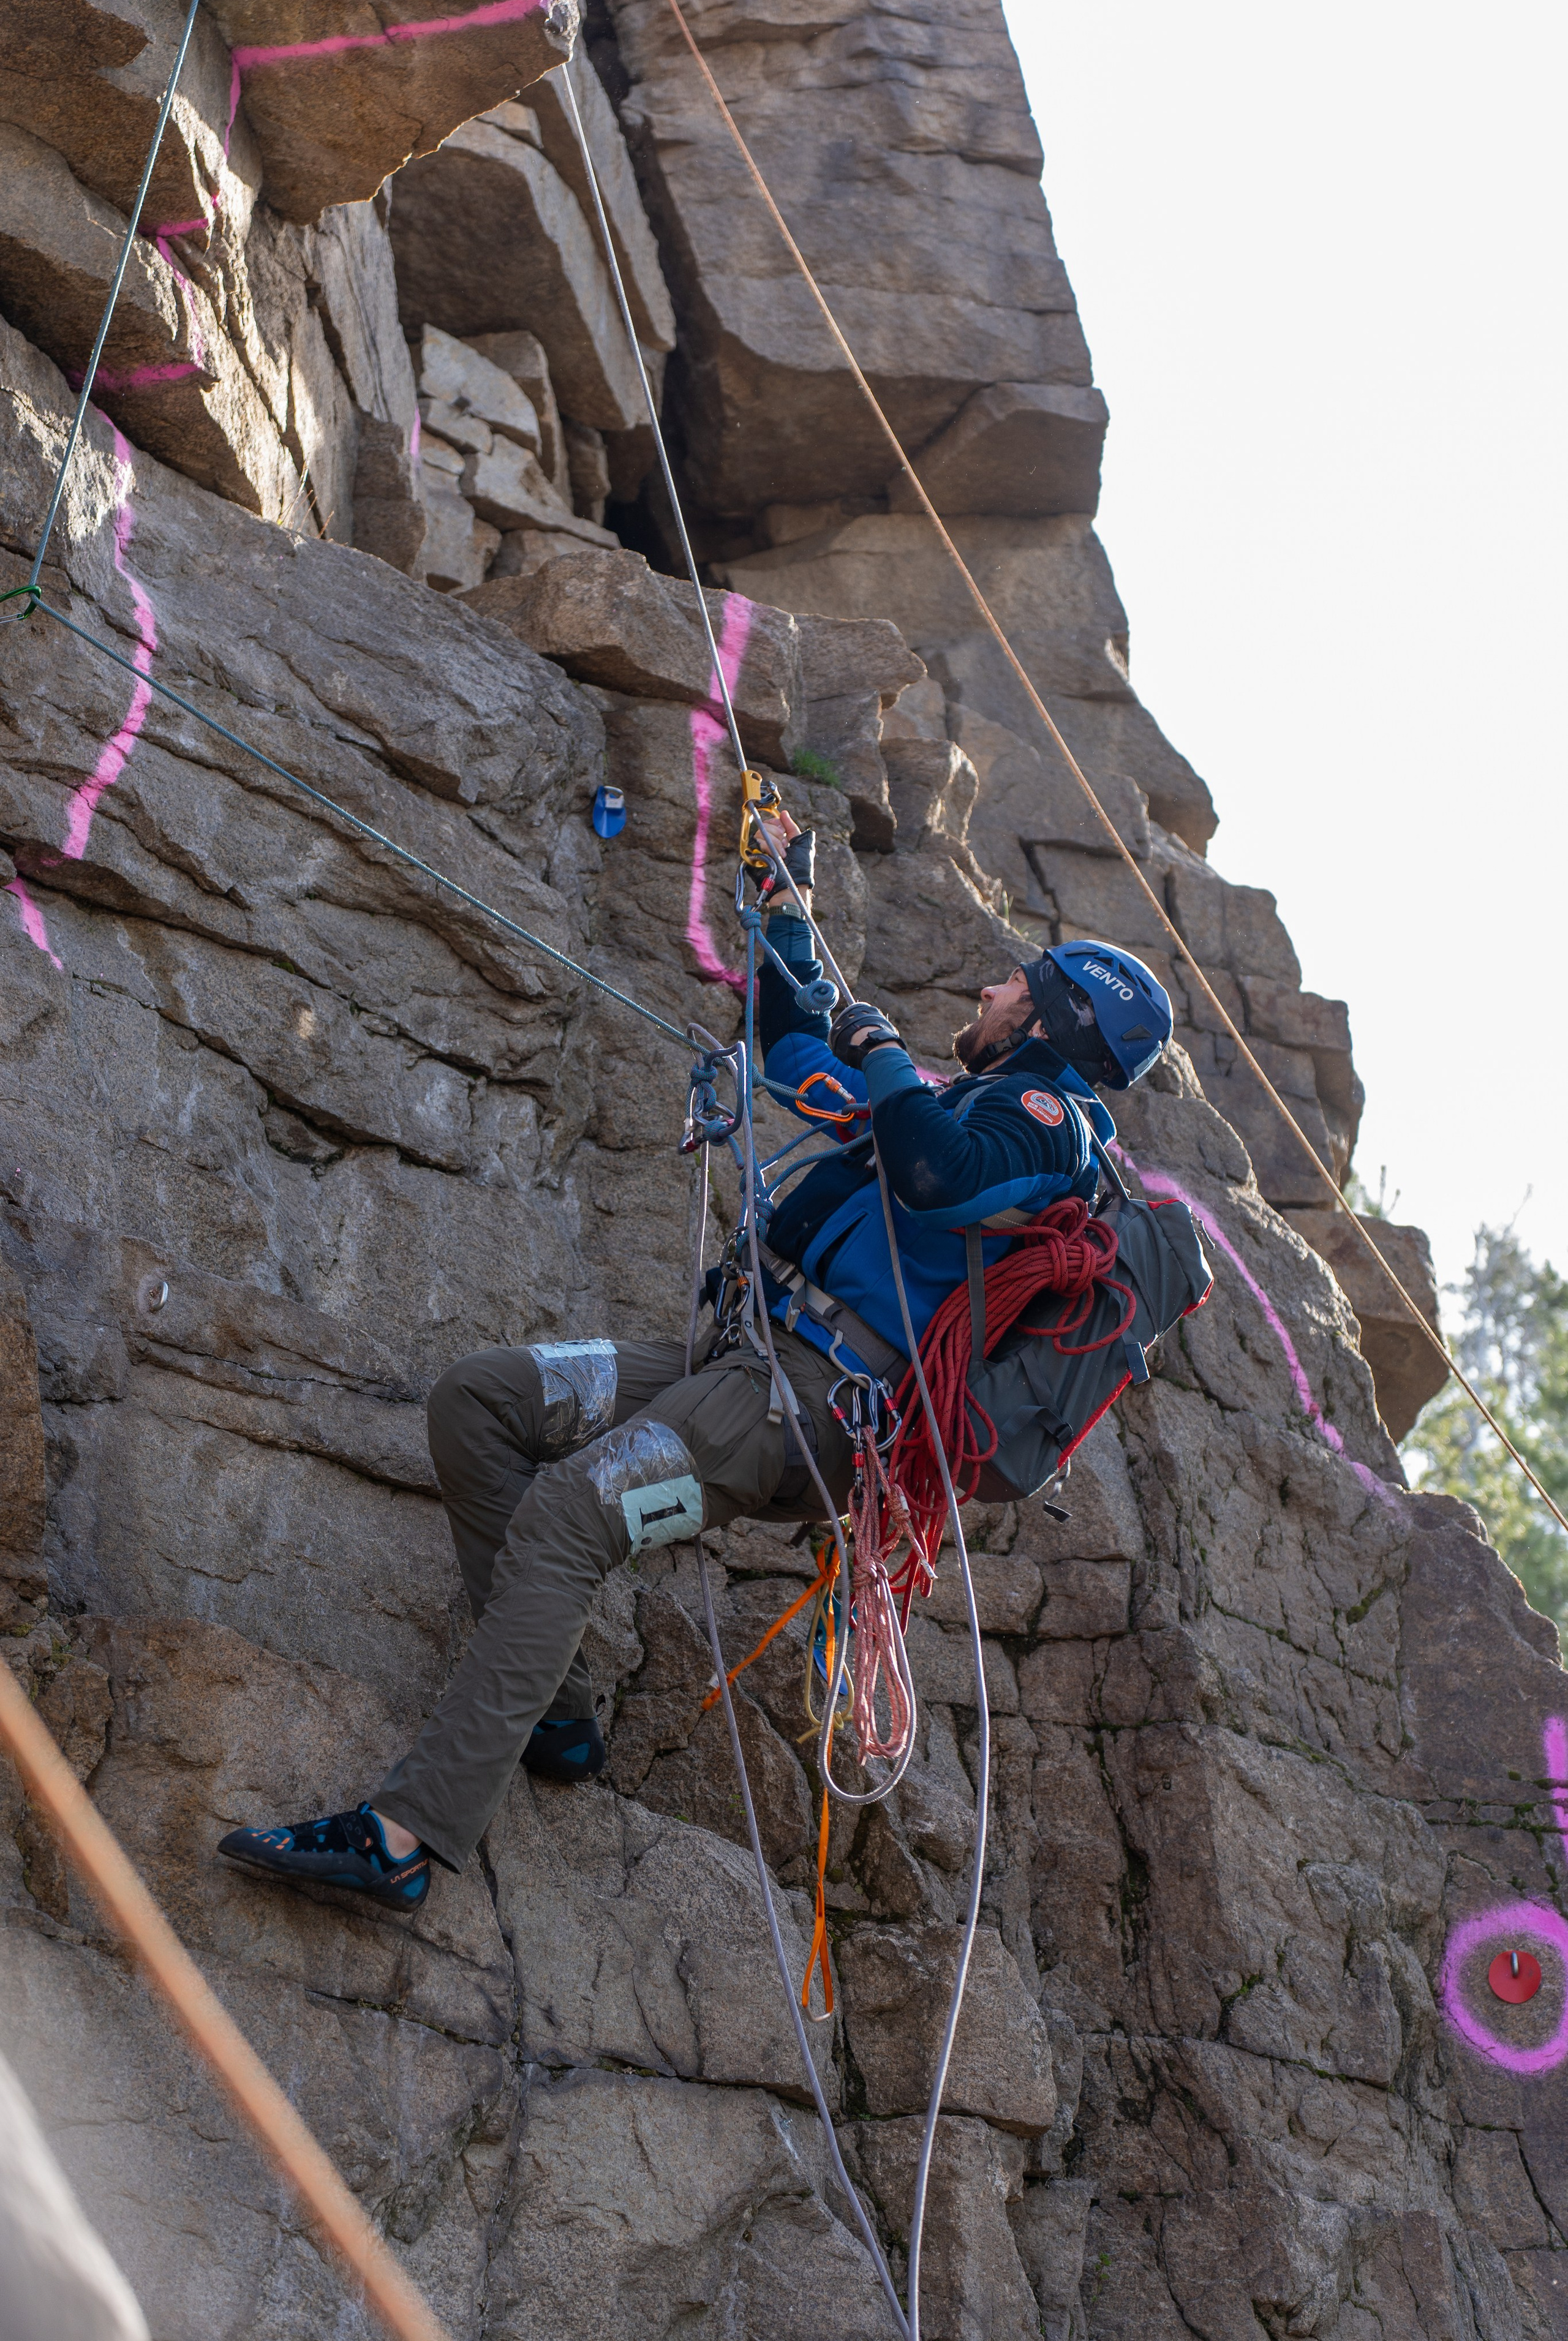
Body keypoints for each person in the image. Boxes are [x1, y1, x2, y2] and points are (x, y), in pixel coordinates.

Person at [217, 814, 1174, 1909]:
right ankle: (554, 1716)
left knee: (572, 1514)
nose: (993, 989)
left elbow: (936, 1178)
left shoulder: (1052, 1126)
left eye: (1017, 985)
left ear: (1051, 1021)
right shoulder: (962, 1101)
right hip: (736, 1360)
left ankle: (402, 1840)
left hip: (805, 1407)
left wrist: (887, 1057)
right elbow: (797, 1057)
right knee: (478, 1402)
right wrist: (783, 907)